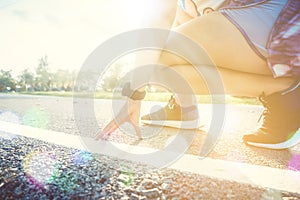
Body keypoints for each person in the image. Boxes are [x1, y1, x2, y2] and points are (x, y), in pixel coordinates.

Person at [96, 0, 300, 150]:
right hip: (259, 22)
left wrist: (133, 95)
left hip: (280, 20)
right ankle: (184, 107)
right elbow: (181, 22)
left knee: (154, 58)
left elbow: (159, 15)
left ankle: (286, 92)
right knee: (159, 58)